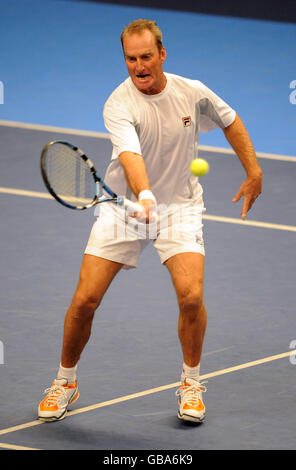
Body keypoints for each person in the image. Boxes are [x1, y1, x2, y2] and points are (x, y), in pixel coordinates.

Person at [38, 19, 262, 424]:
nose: (139, 66)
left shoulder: (191, 92)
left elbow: (229, 118)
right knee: (85, 300)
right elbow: (130, 155)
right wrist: (143, 196)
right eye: (130, 58)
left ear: (161, 55)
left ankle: (191, 382)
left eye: (146, 57)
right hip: (125, 207)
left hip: (179, 207)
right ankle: (64, 381)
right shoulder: (119, 103)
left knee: (191, 295)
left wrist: (254, 171)